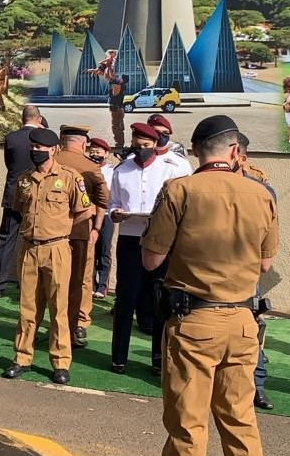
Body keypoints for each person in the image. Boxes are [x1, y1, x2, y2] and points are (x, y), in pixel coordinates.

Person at [142, 114, 279, 456]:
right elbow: (266, 263)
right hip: (242, 321)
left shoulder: (179, 190)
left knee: (188, 429)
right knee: (241, 426)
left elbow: (151, 260)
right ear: (236, 150)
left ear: (197, 150)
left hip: (195, 322)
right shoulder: (261, 194)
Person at [2, 127, 92, 386]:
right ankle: (22, 357)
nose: (35, 152)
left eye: (40, 148)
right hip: (29, 248)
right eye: (33, 148)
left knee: (58, 309)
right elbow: (20, 207)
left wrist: (60, 229)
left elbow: (83, 211)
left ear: (54, 150)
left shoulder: (70, 177)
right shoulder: (25, 179)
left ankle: (61, 362)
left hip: (57, 249)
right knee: (27, 308)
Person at [108, 123, 190, 375]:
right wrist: (115, 213)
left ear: (156, 145)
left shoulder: (173, 168)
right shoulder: (122, 169)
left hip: (161, 240)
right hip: (130, 238)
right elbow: (113, 202)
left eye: (146, 146)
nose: (141, 150)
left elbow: (184, 203)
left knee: (160, 299)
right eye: (137, 145)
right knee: (126, 298)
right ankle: (119, 357)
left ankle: (158, 358)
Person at [54, 125, 109, 348]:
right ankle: (79, 322)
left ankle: (54, 322)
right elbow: (104, 201)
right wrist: (96, 228)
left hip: (53, 232)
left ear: (62, 140)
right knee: (82, 279)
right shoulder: (90, 166)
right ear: (84, 143)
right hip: (81, 232)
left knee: (54, 279)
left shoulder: (51, 161)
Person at [235, 133, 274, 411]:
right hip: (213, 266)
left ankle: (257, 385)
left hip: (246, 268)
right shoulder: (203, 183)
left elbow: (269, 232)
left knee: (251, 325)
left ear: (240, 156)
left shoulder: (259, 187)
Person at [0, 105, 43, 299]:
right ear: (39, 119)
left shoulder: (11, 138)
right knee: (37, 239)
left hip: (13, 193)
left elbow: (9, 164)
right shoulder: (43, 138)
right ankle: (31, 283)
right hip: (36, 195)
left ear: (22, 119)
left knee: (6, 239)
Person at [86, 137, 115, 299]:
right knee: (90, 250)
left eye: (98, 152)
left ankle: (103, 285)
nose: (94, 154)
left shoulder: (112, 171)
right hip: (90, 214)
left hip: (106, 215)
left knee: (104, 249)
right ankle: (90, 283)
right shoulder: (87, 169)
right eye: (92, 151)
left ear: (105, 153)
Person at [107, 74, 128, 149]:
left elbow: (114, 93)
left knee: (116, 127)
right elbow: (109, 77)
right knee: (119, 127)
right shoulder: (120, 85)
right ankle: (120, 143)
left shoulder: (119, 86)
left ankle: (119, 145)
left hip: (117, 109)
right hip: (118, 109)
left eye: (120, 78)